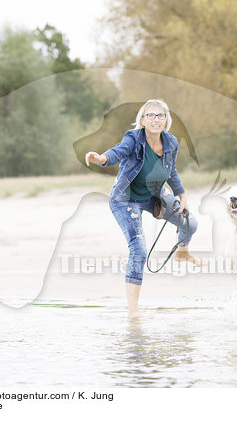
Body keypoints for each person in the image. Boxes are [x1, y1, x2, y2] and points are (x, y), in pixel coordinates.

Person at [85, 99, 202, 317]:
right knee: (138, 250)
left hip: (153, 195)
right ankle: (133, 311)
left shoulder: (171, 142)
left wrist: (182, 194)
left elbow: (171, 171)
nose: (156, 119)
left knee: (191, 223)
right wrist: (101, 159)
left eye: (160, 115)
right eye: (151, 115)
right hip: (125, 199)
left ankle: (182, 252)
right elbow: (117, 152)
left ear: (166, 120)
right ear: (143, 119)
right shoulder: (134, 138)